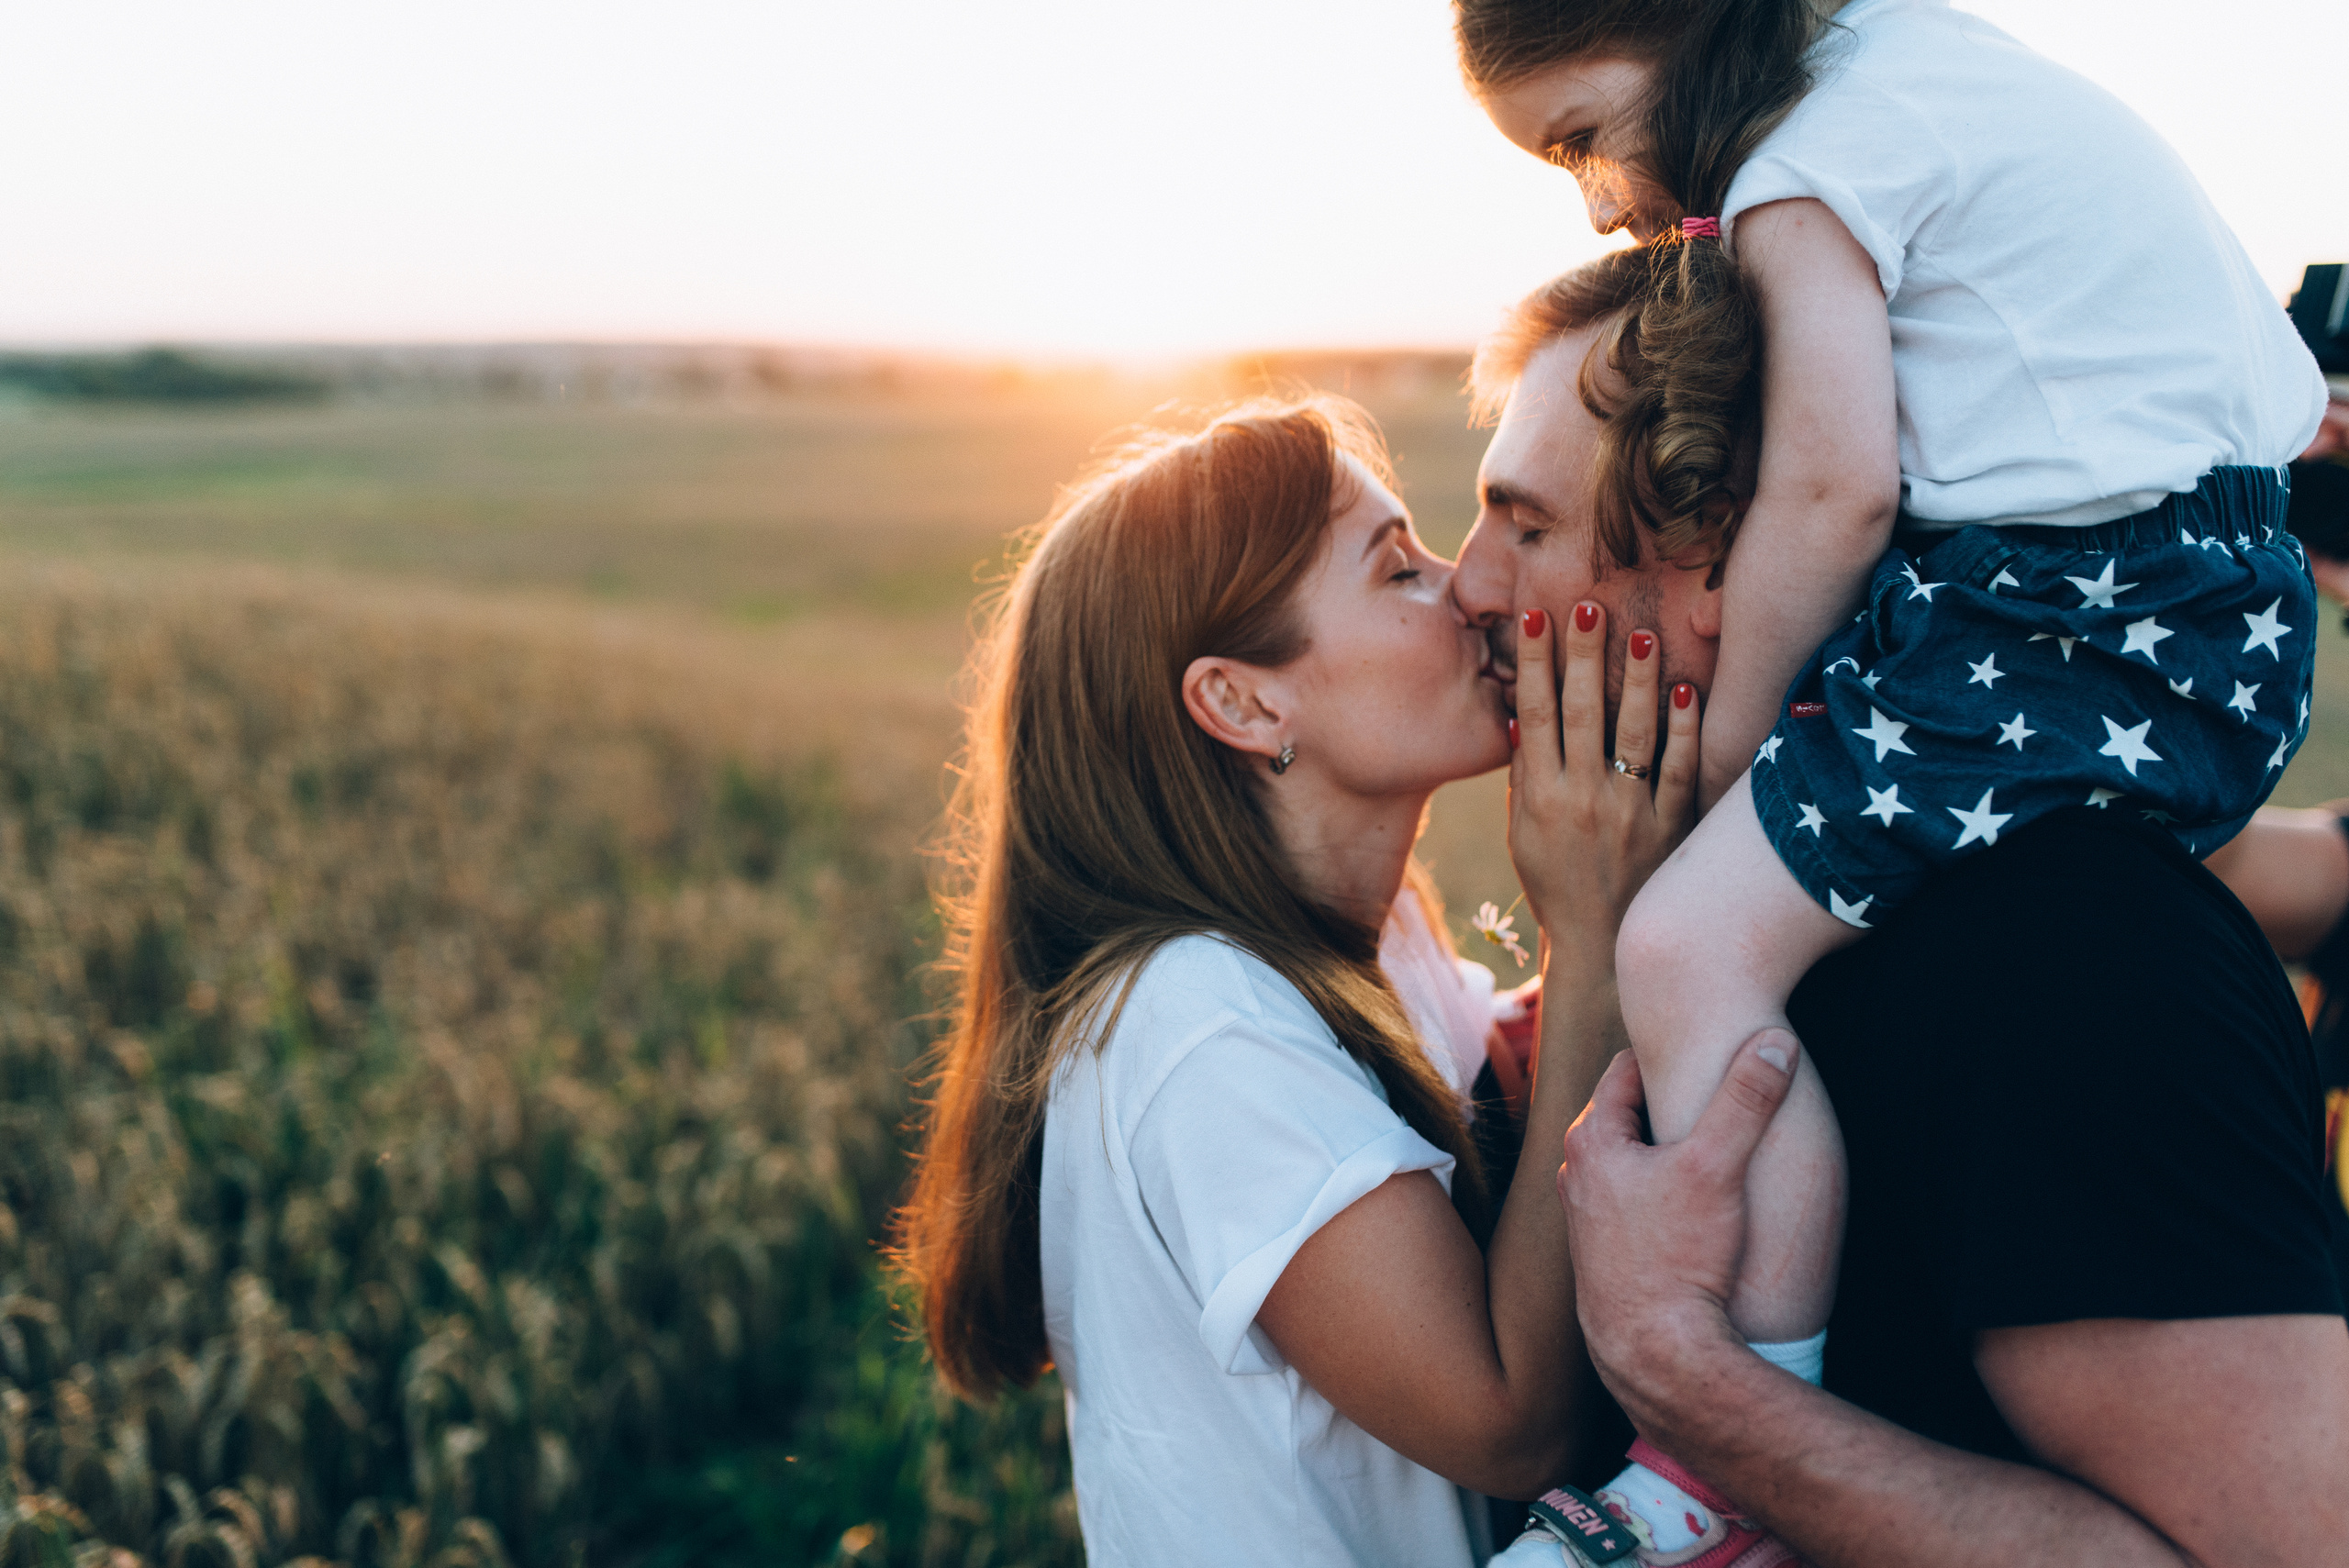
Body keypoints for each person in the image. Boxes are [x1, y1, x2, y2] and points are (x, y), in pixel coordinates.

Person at [1453, 0, 2327, 1535]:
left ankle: (1699, 1495)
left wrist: (1704, 1390)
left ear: (1726, 547)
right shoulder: (1910, 89)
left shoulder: (2063, 961)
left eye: (1524, 522)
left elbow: (2287, 1542)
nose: (1470, 586)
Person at [889, 398, 1697, 1565]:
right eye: (1396, 571)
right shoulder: (1196, 1028)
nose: (1466, 588)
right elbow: (1511, 1422)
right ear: (1244, 701)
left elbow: (1493, 1076)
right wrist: (1589, 934)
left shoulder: (1376, 943)